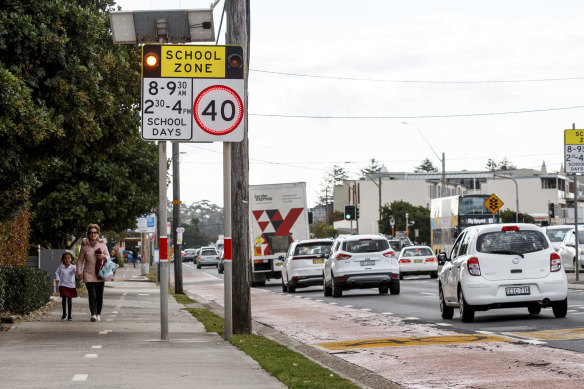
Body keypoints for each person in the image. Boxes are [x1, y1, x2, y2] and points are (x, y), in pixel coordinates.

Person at [76, 223, 108, 322]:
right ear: (88, 234)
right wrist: (79, 271)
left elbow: (109, 258)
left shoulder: (103, 244)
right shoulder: (85, 245)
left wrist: (104, 256)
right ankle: (93, 314)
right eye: (91, 232)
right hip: (88, 274)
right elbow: (80, 260)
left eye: (95, 232)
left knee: (99, 294)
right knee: (92, 294)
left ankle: (98, 313)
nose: (93, 234)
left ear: (98, 234)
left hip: (100, 274)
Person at [55, 251, 78, 321]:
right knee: (64, 298)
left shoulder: (73, 267)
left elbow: (78, 272)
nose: (67, 260)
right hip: (63, 285)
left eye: (68, 258)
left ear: (71, 259)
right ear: (63, 260)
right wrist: (57, 279)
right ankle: (64, 314)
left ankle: (69, 315)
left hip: (71, 285)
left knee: (70, 300)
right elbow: (57, 273)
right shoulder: (61, 267)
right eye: (65, 258)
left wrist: (79, 274)